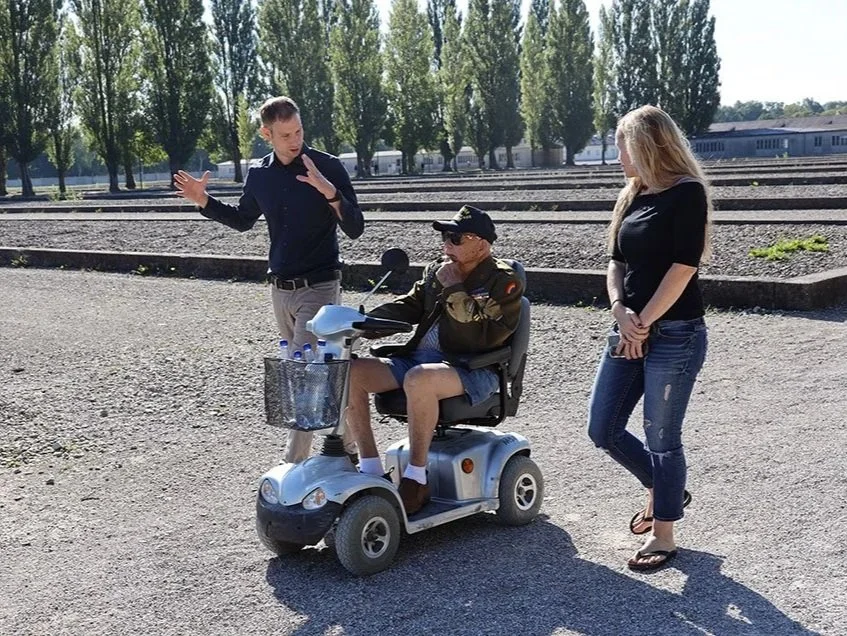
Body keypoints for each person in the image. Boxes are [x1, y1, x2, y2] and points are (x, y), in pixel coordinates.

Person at [173, 96, 364, 464]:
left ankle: (293, 466)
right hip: (281, 291)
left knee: (303, 376)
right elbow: (244, 219)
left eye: (299, 131)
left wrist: (330, 193)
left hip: (320, 288)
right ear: (267, 134)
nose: (296, 141)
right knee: (318, 372)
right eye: (286, 134)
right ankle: (355, 447)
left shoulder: (328, 167)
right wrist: (204, 201)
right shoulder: (260, 175)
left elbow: (355, 228)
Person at [587, 105, 711, 572]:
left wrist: (643, 324)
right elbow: (615, 263)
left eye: (622, 144)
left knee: (662, 437)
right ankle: (664, 489)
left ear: (648, 144)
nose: (618, 154)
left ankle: (664, 533)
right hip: (629, 326)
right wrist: (621, 313)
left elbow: (684, 268)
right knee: (603, 428)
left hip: (676, 333)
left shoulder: (688, 194)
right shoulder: (632, 195)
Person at [346, 206, 524, 515]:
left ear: (481, 244)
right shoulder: (437, 270)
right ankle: (371, 470)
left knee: (419, 378)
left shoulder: (503, 281)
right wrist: (362, 322)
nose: (446, 246)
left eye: (455, 238)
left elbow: (486, 335)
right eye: (445, 237)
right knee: (350, 373)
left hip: (473, 367)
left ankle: (416, 479)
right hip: (422, 361)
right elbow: (409, 306)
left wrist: (455, 287)